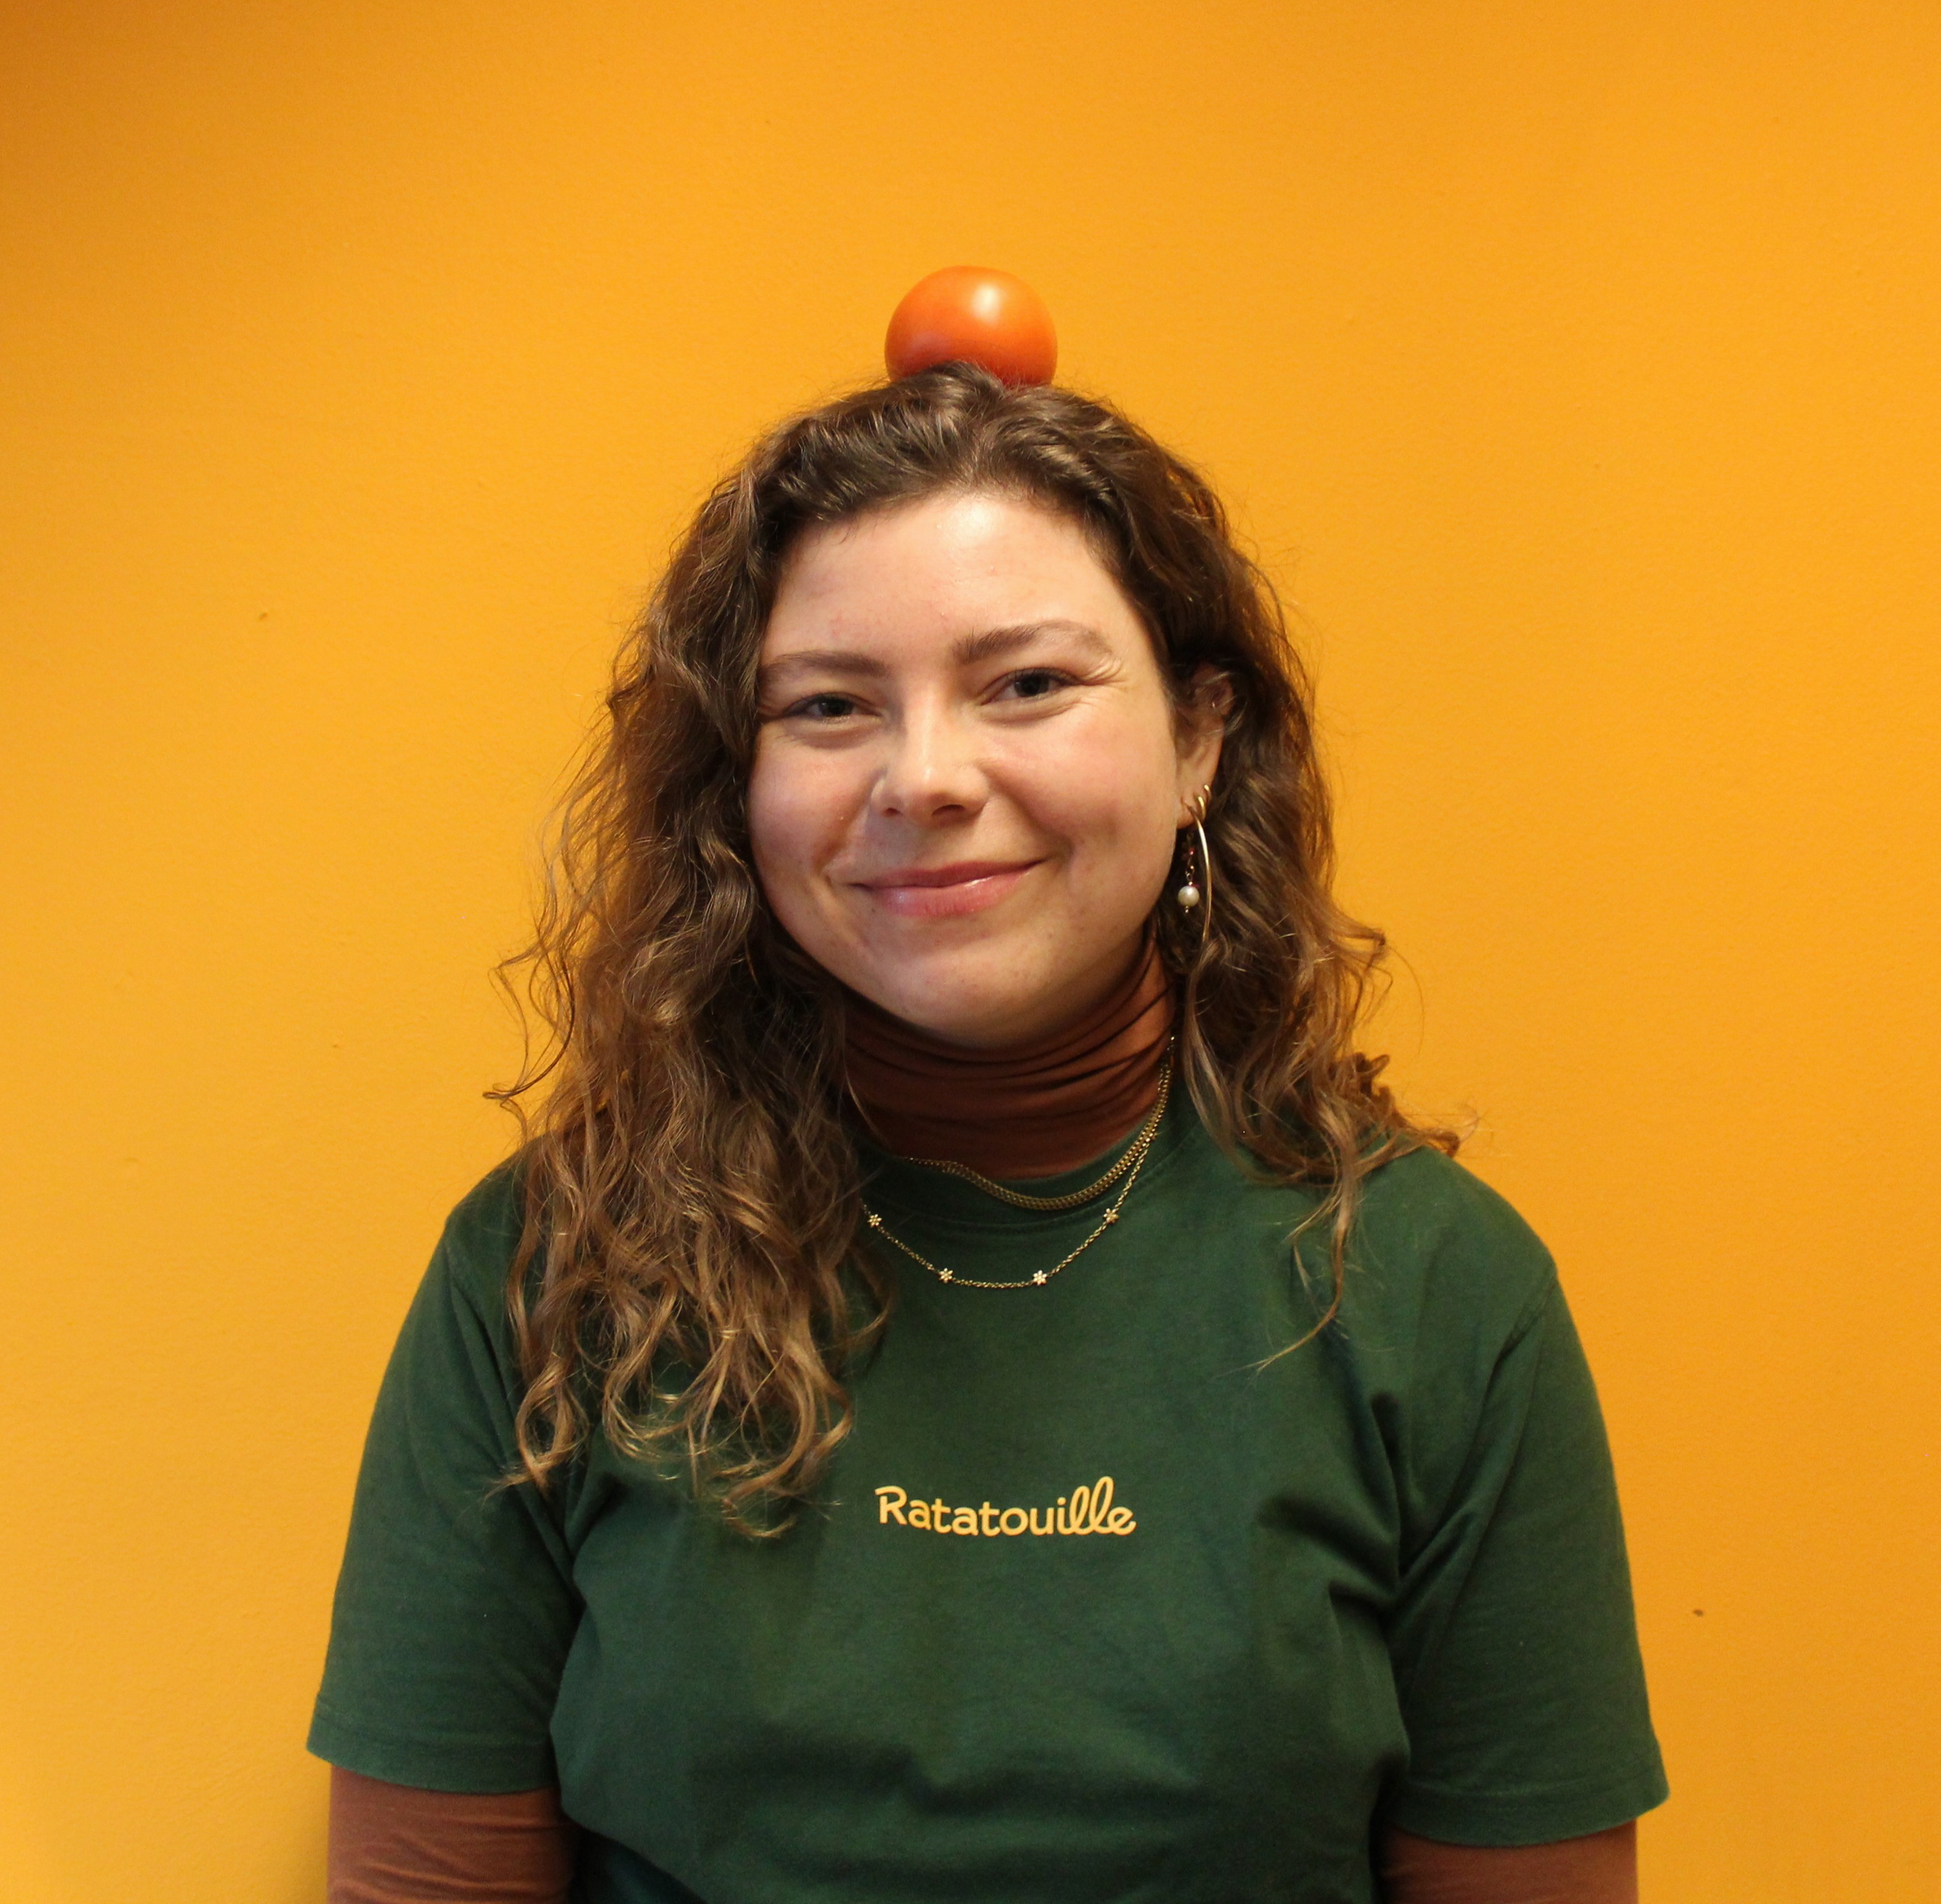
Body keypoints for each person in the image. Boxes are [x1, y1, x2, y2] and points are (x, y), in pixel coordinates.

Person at [311, 359, 1666, 1903]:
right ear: (736, 788)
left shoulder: (1434, 1285)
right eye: (828, 707)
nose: (928, 778)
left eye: (1026, 684)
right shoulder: (553, 1266)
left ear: (1200, 741)